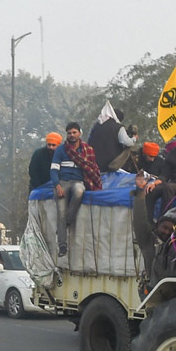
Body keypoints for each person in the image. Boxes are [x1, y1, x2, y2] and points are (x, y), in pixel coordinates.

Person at [50, 122, 102, 257]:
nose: (72, 135)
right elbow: (54, 170)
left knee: (79, 191)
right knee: (60, 213)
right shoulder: (61, 150)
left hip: (78, 182)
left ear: (79, 133)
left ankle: (68, 220)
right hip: (63, 182)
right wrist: (57, 185)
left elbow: (92, 168)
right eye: (69, 133)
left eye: (74, 132)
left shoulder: (87, 150)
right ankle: (62, 246)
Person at [88, 107, 136, 173]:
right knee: (129, 147)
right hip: (109, 163)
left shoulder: (97, 124)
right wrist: (134, 138)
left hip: (93, 160)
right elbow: (127, 142)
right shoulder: (118, 127)